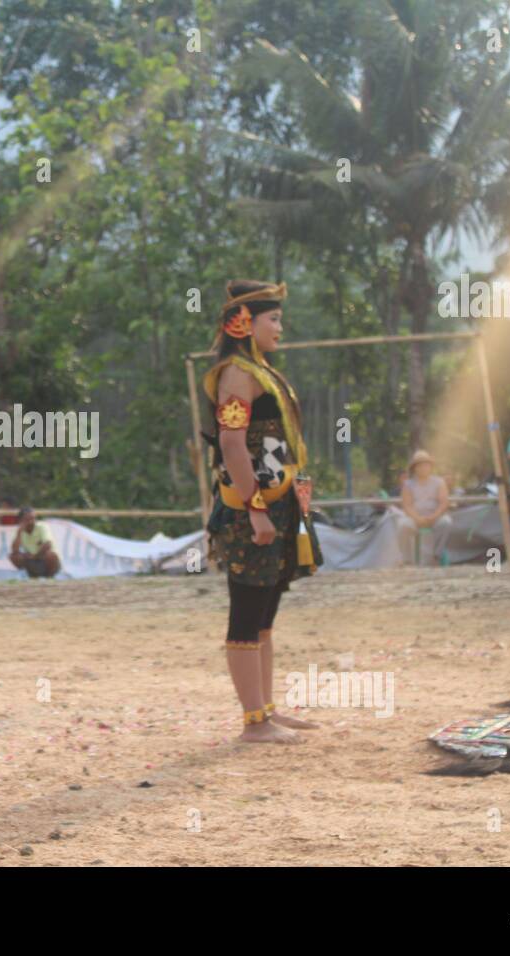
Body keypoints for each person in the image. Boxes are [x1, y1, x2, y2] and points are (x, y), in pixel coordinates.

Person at [203, 279, 323, 744]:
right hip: (251, 510)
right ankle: (255, 722)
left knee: (266, 612)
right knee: (247, 610)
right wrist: (255, 509)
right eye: (272, 318)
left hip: (280, 504)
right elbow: (233, 444)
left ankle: (266, 709)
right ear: (244, 323)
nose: (280, 326)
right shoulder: (237, 375)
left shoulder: (259, 370)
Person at [394, 450, 452, 566]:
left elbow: (443, 503)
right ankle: (407, 560)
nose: (423, 467)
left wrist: (434, 516)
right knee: (402, 525)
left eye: (426, 464)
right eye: (420, 465)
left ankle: (436, 556)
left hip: (435, 517)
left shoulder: (439, 482)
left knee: (446, 522)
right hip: (414, 518)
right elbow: (407, 505)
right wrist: (417, 518)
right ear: (415, 468)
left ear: (430, 466)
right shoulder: (408, 484)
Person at [9, 507, 61, 578]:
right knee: (14, 556)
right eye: (27, 519)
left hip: (43, 559)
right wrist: (19, 533)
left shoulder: (42, 526)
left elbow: (48, 544)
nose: (31, 521)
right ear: (21, 520)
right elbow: (14, 550)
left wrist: (35, 556)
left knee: (50, 555)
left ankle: (50, 577)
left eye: (33, 518)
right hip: (32, 560)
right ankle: (32, 575)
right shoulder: (20, 531)